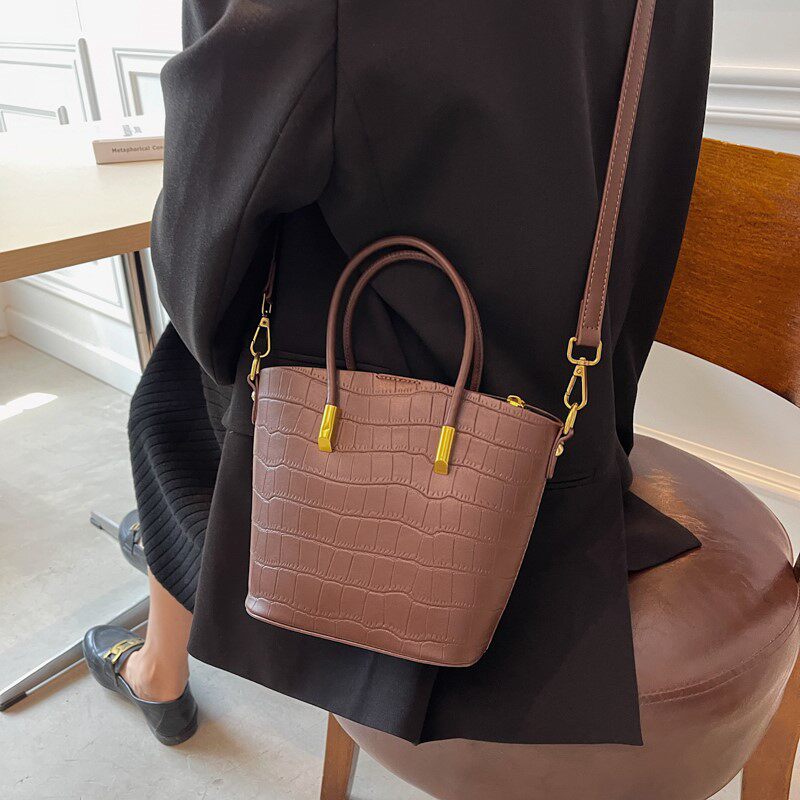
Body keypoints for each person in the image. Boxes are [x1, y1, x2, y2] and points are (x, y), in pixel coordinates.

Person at [85, 0, 712, 748]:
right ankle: (171, 561)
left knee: (171, 392)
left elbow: (207, 229)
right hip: (580, 437)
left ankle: (160, 663)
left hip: (403, 507)